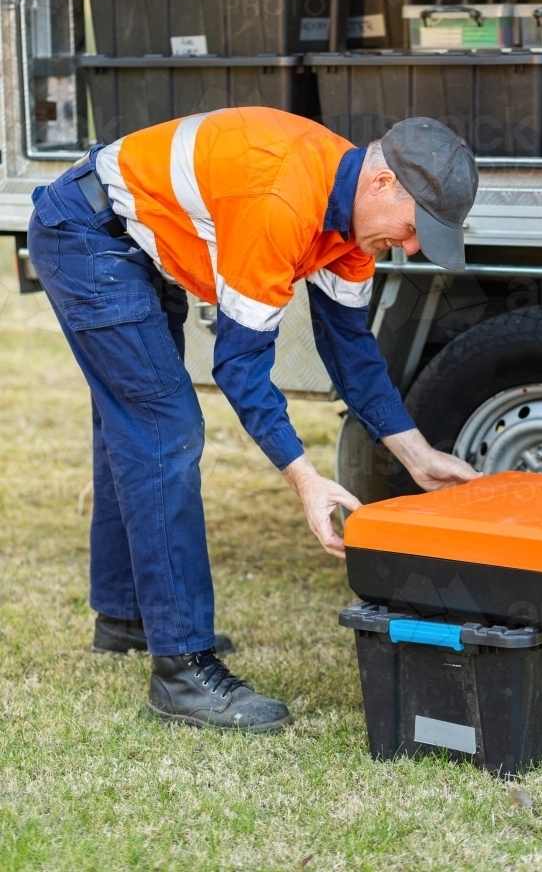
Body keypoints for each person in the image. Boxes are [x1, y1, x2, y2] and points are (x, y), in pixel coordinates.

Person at [27, 109, 480, 733]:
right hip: (86, 233)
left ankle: (128, 614)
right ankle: (182, 670)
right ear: (382, 183)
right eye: (412, 227)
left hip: (128, 237)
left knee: (132, 424)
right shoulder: (284, 199)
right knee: (163, 428)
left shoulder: (349, 224)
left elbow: (351, 351)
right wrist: (305, 479)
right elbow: (239, 366)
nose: (409, 247)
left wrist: (417, 454)